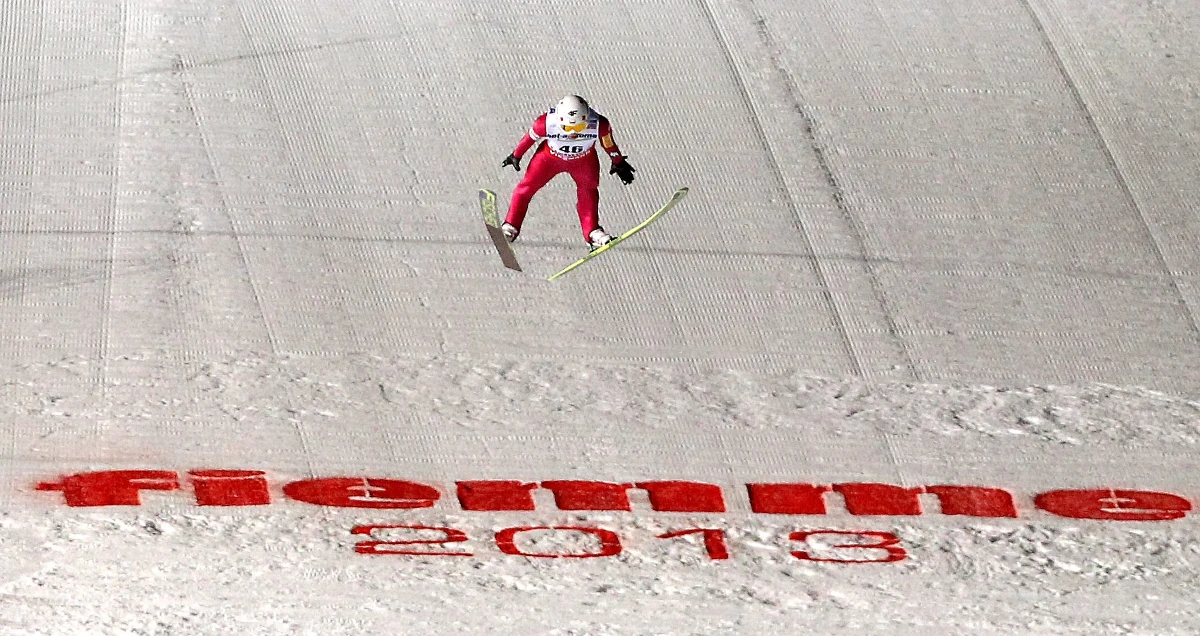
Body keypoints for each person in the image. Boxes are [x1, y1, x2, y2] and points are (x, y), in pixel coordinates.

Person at [500, 95, 636, 248]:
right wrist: (516, 155)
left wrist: (618, 162)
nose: (573, 133)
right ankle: (510, 225)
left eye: (579, 127)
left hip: (583, 162)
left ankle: (592, 231)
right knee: (527, 187)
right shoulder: (545, 123)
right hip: (549, 160)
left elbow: (609, 144)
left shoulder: (599, 124)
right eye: (567, 128)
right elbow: (528, 139)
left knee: (588, 191)